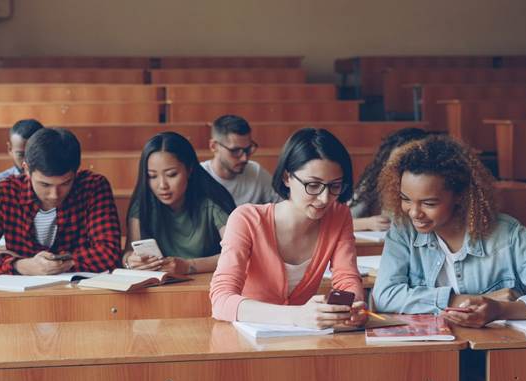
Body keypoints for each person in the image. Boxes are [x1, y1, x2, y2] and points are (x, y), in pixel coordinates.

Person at [371, 135, 526, 327]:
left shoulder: (508, 234)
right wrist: (464, 300)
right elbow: (385, 296)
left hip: (498, 350)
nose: (414, 213)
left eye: (429, 203)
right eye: (405, 199)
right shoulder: (403, 232)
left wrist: (502, 310)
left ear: (459, 195)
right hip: (434, 351)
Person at [210, 128, 367, 329]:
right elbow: (221, 301)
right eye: (313, 185)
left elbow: (347, 279)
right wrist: (295, 316)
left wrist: (351, 308)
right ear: (287, 177)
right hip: (247, 337)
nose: (324, 198)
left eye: (335, 186)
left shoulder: (339, 215)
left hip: (305, 337)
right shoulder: (246, 219)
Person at [0, 128, 121, 276]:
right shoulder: (4, 192)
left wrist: (64, 263)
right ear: (26, 169)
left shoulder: (93, 186)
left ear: (76, 171)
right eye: (44, 184)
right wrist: (20, 265)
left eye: (65, 183)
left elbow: (110, 253)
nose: (54, 195)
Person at [123, 132, 236, 275]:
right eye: (152, 176)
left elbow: (236, 253)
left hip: (208, 285)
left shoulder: (212, 203)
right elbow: (128, 253)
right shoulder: (143, 205)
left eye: (171, 174)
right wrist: (131, 261)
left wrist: (188, 266)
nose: (162, 185)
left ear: (189, 170)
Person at [350, 127, 430, 231]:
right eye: (395, 163)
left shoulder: (428, 185)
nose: (399, 169)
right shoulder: (373, 181)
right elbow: (342, 220)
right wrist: (367, 223)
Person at [201, 114, 281, 205]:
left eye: (247, 149)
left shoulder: (256, 172)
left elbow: (283, 205)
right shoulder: (198, 177)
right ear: (214, 146)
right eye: (235, 151)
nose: (244, 158)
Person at [0, 119, 44, 206]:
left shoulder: (58, 185)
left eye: (34, 154)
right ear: (10, 149)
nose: (27, 162)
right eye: (21, 155)